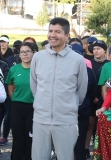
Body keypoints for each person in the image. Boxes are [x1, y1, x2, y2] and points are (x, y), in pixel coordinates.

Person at [30, 17, 88, 160]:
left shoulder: (77, 60)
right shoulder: (38, 57)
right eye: (50, 31)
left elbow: (81, 90)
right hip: (41, 120)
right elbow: (34, 86)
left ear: (67, 36)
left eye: (58, 32)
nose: (53, 35)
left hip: (66, 121)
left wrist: (69, 106)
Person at [5, 42, 35, 160]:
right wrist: (16, 100)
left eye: (28, 51)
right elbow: (10, 88)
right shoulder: (14, 69)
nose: (25, 54)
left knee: (30, 138)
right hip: (17, 107)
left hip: (33, 108)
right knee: (17, 138)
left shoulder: (38, 70)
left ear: (34, 53)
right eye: (22, 52)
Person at [71, 44, 97, 160]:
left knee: (80, 145)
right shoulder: (63, 71)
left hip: (82, 113)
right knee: (65, 145)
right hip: (64, 114)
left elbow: (92, 93)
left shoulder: (89, 72)